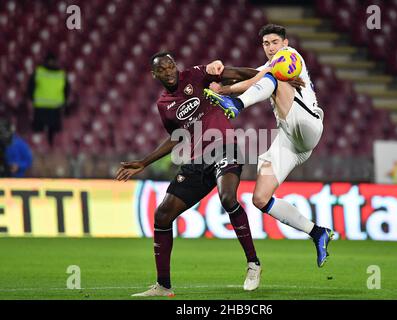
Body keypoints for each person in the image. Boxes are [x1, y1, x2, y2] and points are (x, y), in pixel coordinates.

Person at [116, 52, 263, 297]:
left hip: (225, 146)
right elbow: (176, 137)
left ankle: (253, 263)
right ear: (155, 75)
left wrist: (268, 78)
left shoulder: (195, 75)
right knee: (162, 215)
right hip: (197, 160)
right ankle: (163, 286)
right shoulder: (164, 105)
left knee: (227, 198)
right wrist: (144, 162)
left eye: (171, 65)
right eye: (162, 69)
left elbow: (235, 73)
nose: (169, 71)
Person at [204, 24, 334, 268]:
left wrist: (227, 92)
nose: (271, 47)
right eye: (266, 44)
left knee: (275, 77)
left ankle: (236, 105)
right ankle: (317, 232)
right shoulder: (271, 66)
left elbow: (259, 78)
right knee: (261, 198)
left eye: (275, 42)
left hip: (308, 124)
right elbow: (255, 78)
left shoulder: (290, 56)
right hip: (291, 140)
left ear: (285, 43)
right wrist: (223, 86)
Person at [27, 52, 70, 146]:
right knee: (49, 131)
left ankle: (43, 148)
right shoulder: (61, 74)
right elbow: (67, 90)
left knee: (42, 130)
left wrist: (32, 97)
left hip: (42, 106)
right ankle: (43, 148)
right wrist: (65, 101)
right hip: (53, 106)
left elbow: (30, 87)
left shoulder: (39, 71)